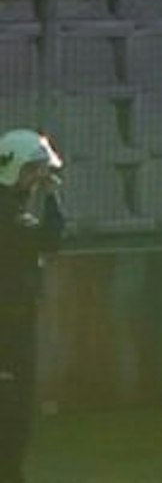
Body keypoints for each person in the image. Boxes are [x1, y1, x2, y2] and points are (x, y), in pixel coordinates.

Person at [0, 128, 63, 483]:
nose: (40, 177)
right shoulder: (9, 214)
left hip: (10, 324)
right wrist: (54, 198)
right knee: (13, 412)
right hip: (8, 329)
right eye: (34, 170)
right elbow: (50, 240)